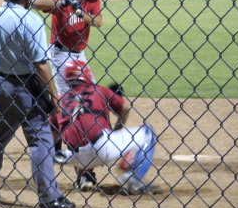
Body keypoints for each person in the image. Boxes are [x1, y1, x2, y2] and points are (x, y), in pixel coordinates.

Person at [0, 0, 75, 208]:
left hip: (2, 84)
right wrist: (53, 93)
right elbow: (40, 63)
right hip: (29, 86)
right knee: (41, 140)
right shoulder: (30, 20)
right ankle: (49, 197)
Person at [50, 59, 161, 195]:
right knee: (148, 132)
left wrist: (55, 152)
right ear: (87, 75)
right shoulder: (99, 90)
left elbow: (52, 134)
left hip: (76, 158)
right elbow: (125, 107)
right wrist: (118, 128)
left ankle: (84, 177)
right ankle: (132, 178)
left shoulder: (60, 100)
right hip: (104, 147)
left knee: (75, 132)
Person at [33, 0, 109, 96]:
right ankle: (66, 116)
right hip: (60, 53)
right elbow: (35, 3)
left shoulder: (93, 0)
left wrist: (80, 13)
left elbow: (98, 22)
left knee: (92, 93)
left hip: (80, 54)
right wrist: (62, 3)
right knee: (67, 96)